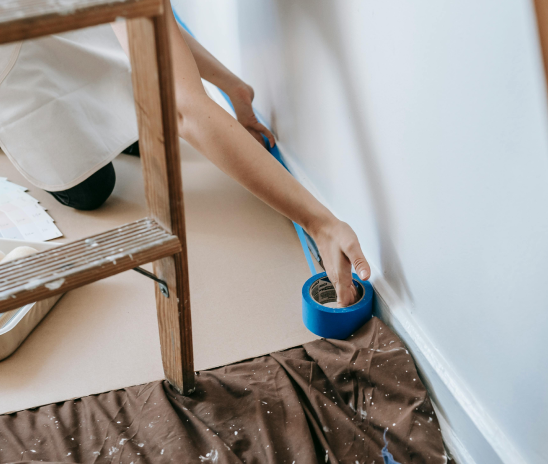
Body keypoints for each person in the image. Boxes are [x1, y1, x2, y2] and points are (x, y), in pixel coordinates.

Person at [0, 0, 370, 306]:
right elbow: (185, 112)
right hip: (11, 51)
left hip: (54, 18)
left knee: (145, 117)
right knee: (92, 191)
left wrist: (232, 86)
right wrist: (320, 222)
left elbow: (156, 24)